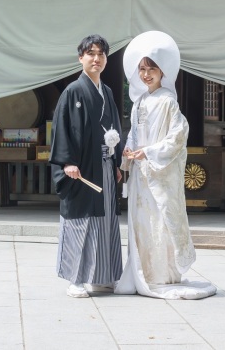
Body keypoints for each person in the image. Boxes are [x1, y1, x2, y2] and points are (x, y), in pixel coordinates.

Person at [115, 31, 216, 300]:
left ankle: (162, 276)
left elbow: (177, 138)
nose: (146, 74)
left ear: (162, 72)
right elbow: (134, 135)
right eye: (142, 69)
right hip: (140, 175)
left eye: (152, 69)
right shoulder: (138, 103)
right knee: (142, 223)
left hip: (159, 176)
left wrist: (147, 153)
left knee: (160, 223)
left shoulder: (168, 102)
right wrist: (128, 152)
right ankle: (142, 273)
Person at [50, 34, 124, 298]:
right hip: (81, 169)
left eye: (101, 54)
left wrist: (116, 162)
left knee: (104, 220)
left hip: (104, 165)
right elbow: (62, 129)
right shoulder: (73, 91)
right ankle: (75, 279)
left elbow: (114, 128)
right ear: (80, 57)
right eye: (91, 53)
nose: (96, 58)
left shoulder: (108, 92)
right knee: (80, 221)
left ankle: (102, 277)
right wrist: (67, 162)